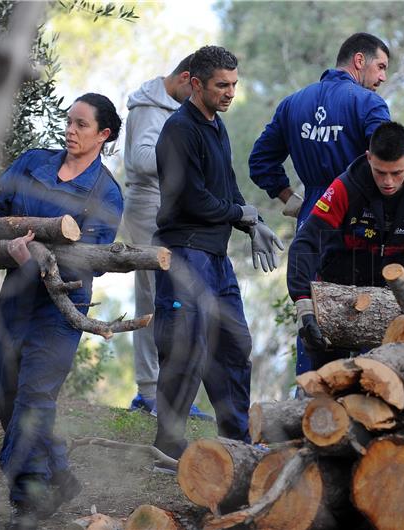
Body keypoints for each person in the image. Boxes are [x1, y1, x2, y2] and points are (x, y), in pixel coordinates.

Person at [0, 93, 124, 529]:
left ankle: (28, 499)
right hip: (15, 296)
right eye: (68, 121)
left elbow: (93, 259)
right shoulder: (33, 162)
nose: (70, 130)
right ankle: (59, 474)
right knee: (4, 390)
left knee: (35, 397)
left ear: (103, 135)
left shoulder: (107, 193)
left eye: (82, 125)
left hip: (60, 304)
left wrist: (37, 259)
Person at [152, 45, 283, 466]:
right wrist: (237, 213)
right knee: (185, 349)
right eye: (221, 85)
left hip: (216, 256)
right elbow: (192, 199)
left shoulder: (216, 125)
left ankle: (237, 441)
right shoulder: (179, 130)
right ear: (195, 83)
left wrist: (251, 221)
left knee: (233, 344)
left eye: (233, 85)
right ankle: (165, 448)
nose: (229, 93)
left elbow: (226, 189)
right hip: (185, 254)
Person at [248, 31, 391, 374]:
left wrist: (292, 199)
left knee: (313, 315)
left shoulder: (294, 103)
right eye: (381, 66)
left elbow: (260, 162)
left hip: (312, 218)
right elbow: (387, 160)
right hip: (358, 224)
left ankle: (308, 406)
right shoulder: (369, 104)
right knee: (363, 318)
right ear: (360, 60)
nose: (383, 77)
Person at [287, 122, 404, 370]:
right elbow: (307, 242)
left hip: (392, 298)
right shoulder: (346, 186)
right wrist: (302, 302)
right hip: (337, 290)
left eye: (397, 173)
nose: (388, 181)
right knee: (323, 381)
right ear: (368, 158)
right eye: (380, 172)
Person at [122, 54, 213, 422]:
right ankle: (148, 392)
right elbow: (141, 158)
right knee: (153, 298)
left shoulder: (172, 108)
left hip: (173, 210)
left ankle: (172, 392)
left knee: (174, 301)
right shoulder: (149, 106)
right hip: (147, 208)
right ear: (187, 78)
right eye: (195, 87)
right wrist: (184, 155)